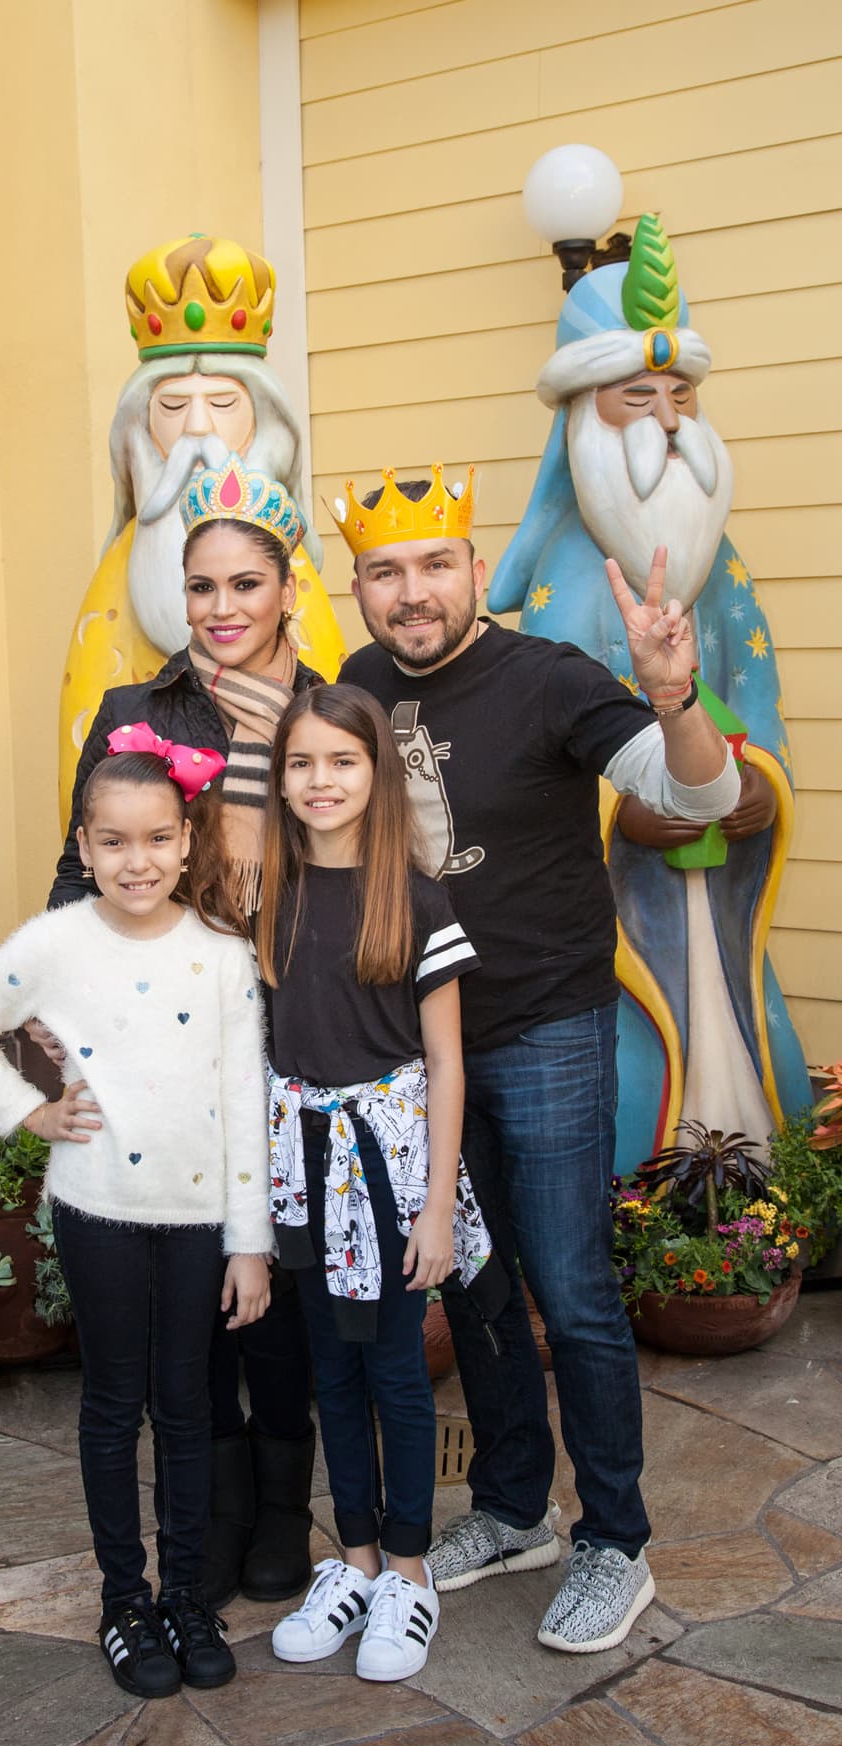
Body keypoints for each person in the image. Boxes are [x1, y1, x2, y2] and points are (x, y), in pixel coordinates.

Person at [336, 463, 740, 1653]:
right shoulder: (355, 690)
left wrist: (673, 695)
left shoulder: (550, 678)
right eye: (383, 571)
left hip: (548, 1028)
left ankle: (613, 1535)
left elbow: (695, 794)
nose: (411, 593)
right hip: (422, 1040)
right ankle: (513, 1508)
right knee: (472, 1285)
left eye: (433, 564)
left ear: (472, 567)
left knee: (568, 1290)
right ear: (356, 586)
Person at [0, 742, 272, 1699]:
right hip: (100, 1212)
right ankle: (126, 1600)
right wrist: (28, 1112)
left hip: (203, 1221)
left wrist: (251, 1241)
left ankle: (188, 1596)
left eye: (158, 838)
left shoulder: (224, 955)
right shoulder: (57, 943)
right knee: (115, 1407)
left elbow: (246, 1097)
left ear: (186, 837)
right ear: (84, 844)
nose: (137, 861)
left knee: (189, 1408)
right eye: (113, 841)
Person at [49, 454, 321, 1610]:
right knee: (199, 1296)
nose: (219, 610)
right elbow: (75, 881)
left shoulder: (332, 706)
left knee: (285, 1292)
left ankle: (280, 1511)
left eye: (242, 585)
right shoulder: (132, 714)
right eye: (199, 585)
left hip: (299, 1038)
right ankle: (207, 1520)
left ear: (283, 590)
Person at [489, 212, 810, 1168]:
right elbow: (540, 737)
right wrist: (616, 813)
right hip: (622, 907)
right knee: (634, 1061)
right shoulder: (565, 576)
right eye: (639, 396)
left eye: (681, 395)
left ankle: (760, 1205)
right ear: (588, 416)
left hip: (722, 866)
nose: (669, 420)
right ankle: (642, 1221)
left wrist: (761, 781)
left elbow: (757, 689)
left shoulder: (725, 566)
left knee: (748, 1030)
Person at [260, 685, 497, 1682]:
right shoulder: (266, 893)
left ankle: (407, 1571)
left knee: (396, 1373)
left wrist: (436, 1205)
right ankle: (351, 1558)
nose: (321, 781)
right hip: (305, 1170)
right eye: (302, 762)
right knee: (330, 1369)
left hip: (391, 1172)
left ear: (375, 773)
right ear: (279, 776)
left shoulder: (413, 895)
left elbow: (444, 1062)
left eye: (342, 762)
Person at [58, 233, 345, 819]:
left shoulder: (318, 689)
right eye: (170, 407)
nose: (195, 428)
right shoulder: (126, 700)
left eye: (221, 404)